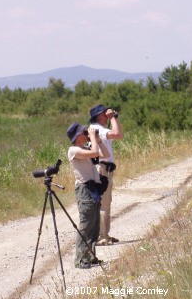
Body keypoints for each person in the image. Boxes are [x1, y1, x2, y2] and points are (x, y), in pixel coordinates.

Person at [66, 122, 109, 269]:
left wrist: (97, 139)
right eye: (84, 133)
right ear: (78, 136)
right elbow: (95, 153)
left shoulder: (85, 148)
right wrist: (91, 137)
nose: (86, 135)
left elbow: (105, 154)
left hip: (93, 189)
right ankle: (80, 259)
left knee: (95, 225)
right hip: (84, 189)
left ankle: (90, 257)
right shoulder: (73, 150)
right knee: (86, 224)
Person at [89, 104, 123, 245]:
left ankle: (104, 235)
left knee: (106, 203)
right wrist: (114, 118)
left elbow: (116, 134)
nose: (107, 115)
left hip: (105, 168)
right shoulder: (98, 130)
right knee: (103, 203)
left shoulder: (99, 129)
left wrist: (113, 118)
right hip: (102, 169)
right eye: (105, 114)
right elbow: (118, 135)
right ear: (99, 116)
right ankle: (101, 236)